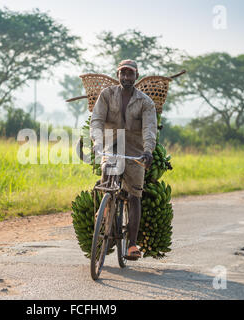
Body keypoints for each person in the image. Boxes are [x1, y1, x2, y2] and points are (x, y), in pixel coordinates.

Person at [90, 59, 157, 260]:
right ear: (118, 75)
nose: (126, 77)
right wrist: (97, 142)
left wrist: (147, 150)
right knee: (104, 182)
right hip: (111, 148)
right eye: (123, 73)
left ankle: (132, 245)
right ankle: (104, 215)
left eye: (130, 74)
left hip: (135, 152)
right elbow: (97, 120)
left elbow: (149, 129)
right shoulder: (107, 95)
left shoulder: (145, 102)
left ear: (136, 76)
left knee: (135, 196)